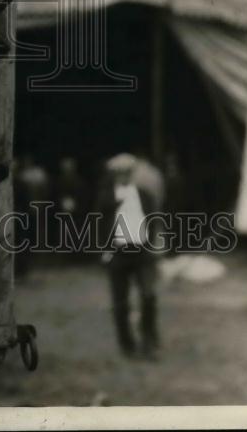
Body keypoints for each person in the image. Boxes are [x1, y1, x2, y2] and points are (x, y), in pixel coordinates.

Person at [97, 152, 162, 360]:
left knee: (148, 296)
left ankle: (149, 339)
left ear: (132, 173)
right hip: (118, 254)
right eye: (119, 173)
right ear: (113, 175)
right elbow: (97, 225)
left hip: (142, 253)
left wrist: (153, 245)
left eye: (127, 172)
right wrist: (103, 250)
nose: (123, 176)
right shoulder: (106, 198)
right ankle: (127, 344)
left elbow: (153, 221)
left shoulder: (145, 195)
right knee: (120, 302)